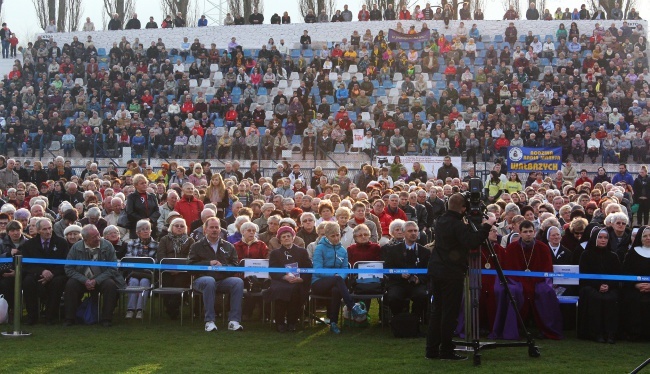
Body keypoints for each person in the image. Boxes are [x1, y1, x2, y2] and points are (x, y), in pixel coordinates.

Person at [427, 193, 495, 360]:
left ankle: (432, 350)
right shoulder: (457, 224)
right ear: (464, 208)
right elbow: (472, 241)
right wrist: (486, 226)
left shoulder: (441, 220)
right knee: (449, 313)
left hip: (436, 270)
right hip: (451, 273)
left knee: (437, 311)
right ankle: (446, 351)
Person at [492, 220, 563, 340]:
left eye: (530, 231)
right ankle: (512, 330)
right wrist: (523, 282)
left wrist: (534, 281)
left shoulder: (543, 248)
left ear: (534, 232)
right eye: (525, 232)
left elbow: (547, 269)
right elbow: (508, 270)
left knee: (545, 292)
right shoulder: (512, 248)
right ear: (520, 233)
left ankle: (548, 329)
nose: (528, 234)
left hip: (538, 281)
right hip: (517, 281)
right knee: (514, 291)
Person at [188, 217, 244, 332]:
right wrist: (208, 264)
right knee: (209, 280)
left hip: (222, 280)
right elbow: (190, 266)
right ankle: (209, 321)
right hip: (202, 280)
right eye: (211, 227)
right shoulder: (196, 246)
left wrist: (223, 267)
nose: (214, 230)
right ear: (205, 230)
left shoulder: (229, 246)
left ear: (220, 230)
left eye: (216, 227)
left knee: (238, 282)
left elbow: (235, 266)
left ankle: (234, 321)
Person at [64, 224, 126, 327]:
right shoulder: (76, 247)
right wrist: (85, 280)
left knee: (110, 285)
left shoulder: (107, 245)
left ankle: (106, 318)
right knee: (71, 284)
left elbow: (113, 268)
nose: (98, 238)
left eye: (98, 235)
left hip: (102, 278)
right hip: (82, 279)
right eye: (94, 237)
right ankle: (69, 318)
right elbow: (68, 268)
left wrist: (96, 280)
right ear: (85, 239)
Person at [311, 221, 367, 334]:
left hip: (336, 283)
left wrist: (339, 277)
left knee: (337, 289)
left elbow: (345, 268)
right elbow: (318, 270)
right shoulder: (319, 248)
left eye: (338, 235)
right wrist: (335, 276)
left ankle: (333, 323)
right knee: (337, 280)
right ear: (326, 236)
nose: (336, 238)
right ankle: (352, 306)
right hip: (319, 283)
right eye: (333, 236)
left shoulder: (342, 250)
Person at [21, 218, 69, 325]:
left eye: (49, 228)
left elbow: (65, 263)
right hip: (36, 274)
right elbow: (26, 265)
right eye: (44, 229)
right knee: (28, 282)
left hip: (56, 274)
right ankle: (32, 317)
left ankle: (50, 317)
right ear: (38, 230)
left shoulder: (62, 243)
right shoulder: (29, 245)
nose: (48, 231)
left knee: (58, 282)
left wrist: (52, 274)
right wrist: (42, 271)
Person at [578, 228, 620, 343]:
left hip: (609, 287)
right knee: (595, 298)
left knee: (611, 298)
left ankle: (610, 333)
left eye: (605, 238)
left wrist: (608, 286)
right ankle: (596, 333)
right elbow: (584, 275)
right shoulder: (586, 255)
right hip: (590, 286)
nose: (603, 240)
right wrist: (598, 286)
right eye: (600, 237)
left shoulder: (613, 256)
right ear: (594, 239)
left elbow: (617, 275)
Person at [266, 226, 312, 332]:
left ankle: (292, 322)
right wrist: (284, 276)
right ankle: (280, 322)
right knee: (281, 290)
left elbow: (308, 268)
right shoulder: (275, 253)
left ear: (293, 237)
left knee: (296, 291)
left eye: (288, 236)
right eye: (283, 237)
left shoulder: (302, 252)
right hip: (281, 280)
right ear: (280, 240)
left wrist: (302, 279)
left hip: (298, 281)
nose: (286, 238)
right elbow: (273, 270)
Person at [382, 221, 429, 317]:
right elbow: (387, 268)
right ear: (403, 233)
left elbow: (429, 271)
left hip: (417, 284)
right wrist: (400, 274)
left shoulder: (425, 252)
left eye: (415, 231)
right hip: (398, 283)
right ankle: (399, 320)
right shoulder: (393, 250)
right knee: (393, 297)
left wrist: (419, 279)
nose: (413, 233)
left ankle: (415, 319)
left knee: (421, 296)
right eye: (410, 231)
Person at [123, 219, 158, 319]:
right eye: (143, 229)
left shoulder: (156, 245)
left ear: (151, 231)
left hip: (148, 274)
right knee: (133, 282)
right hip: (134, 273)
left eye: (148, 229)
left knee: (144, 282)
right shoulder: (131, 243)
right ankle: (130, 309)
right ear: (138, 232)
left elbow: (155, 261)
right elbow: (129, 258)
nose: (146, 231)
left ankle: (140, 310)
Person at [623, 226, 650, 340]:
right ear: (640, 238)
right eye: (645, 236)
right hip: (634, 288)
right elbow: (626, 273)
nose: (648, 238)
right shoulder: (632, 253)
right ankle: (635, 333)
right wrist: (636, 284)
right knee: (634, 300)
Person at [125, 174, 160, 238]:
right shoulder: (131, 197)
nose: (144, 185)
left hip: (151, 227)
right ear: (136, 185)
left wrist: (150, 219)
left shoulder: (152, 196)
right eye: (142, 183)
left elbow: (157, 211)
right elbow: (130, 212)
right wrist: (143, 220)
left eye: (145, 183)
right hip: (137, 227)